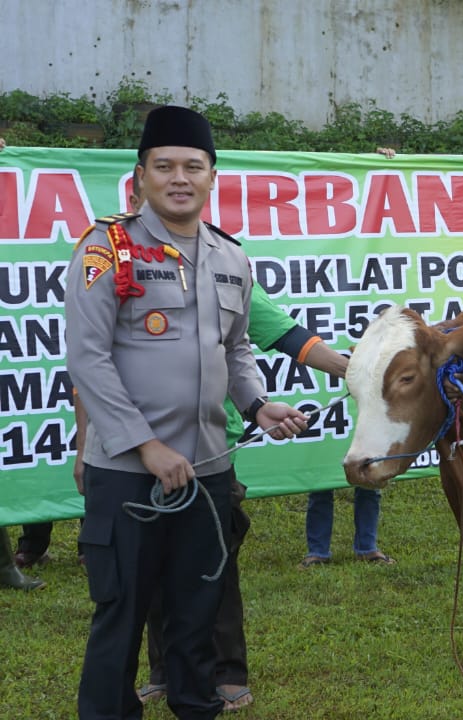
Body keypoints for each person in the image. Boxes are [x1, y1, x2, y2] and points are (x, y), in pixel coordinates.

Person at [65, 105, 308, 720]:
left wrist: (256, 403)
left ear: (211, 177)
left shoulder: (231, 257)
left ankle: (196, 707)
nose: (180, 178)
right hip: (128, 472)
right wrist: (146, 445)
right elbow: (88, 360)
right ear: (140, 176)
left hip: (206, 471)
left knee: (198, 611)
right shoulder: (107, 248)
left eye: (193, 167)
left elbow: (234, 348)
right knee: (121, 613)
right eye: (165, 166)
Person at [139, 280, 351, 712]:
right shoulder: (125, 270)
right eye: (138, 204)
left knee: (215, 562)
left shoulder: (222, 267)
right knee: (150, 562)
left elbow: (289, 336)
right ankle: (161, 669)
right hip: (140, 451)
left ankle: (228, 671)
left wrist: (357, 370)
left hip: (210, 450)